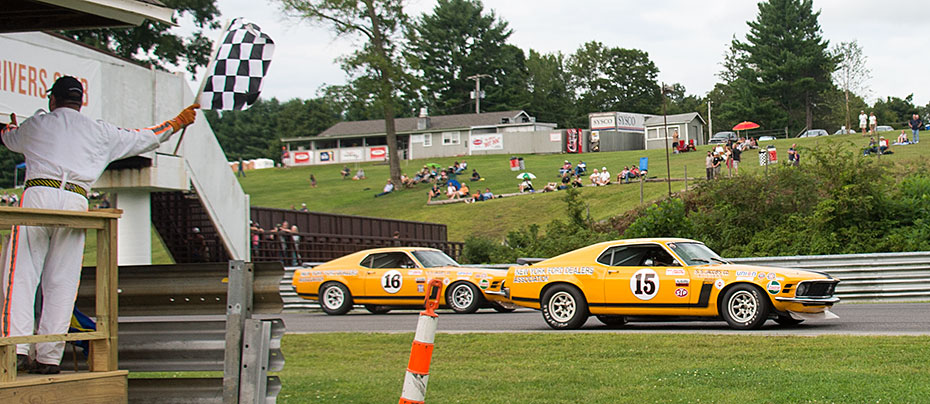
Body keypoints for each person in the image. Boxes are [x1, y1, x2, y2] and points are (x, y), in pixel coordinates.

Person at [0, 76, 198, 374]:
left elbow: (9, 138)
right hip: (78, 201)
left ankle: (15, 348)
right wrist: (178, 121)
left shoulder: (39, 123)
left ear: (52, 99)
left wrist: (10, 127)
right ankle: (49, 357)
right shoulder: (100, 131)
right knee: (62, 281)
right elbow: (145, 136)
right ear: (81, 101)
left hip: (39, 194)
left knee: (21, 275)